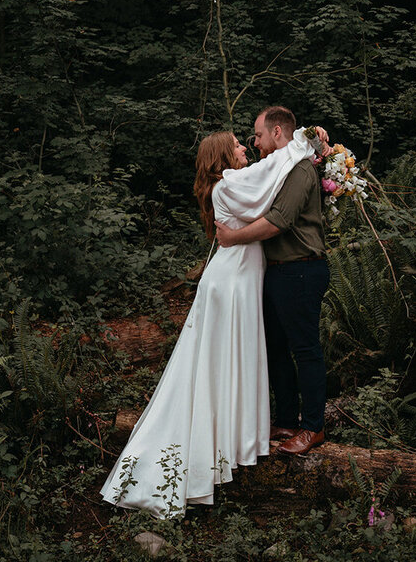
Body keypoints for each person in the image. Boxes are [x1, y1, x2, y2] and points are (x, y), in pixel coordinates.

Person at [99, 125, 320, 518]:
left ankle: (236, 436)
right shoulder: (228, 185)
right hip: (230, 284)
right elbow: (270, 179)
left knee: (235, 358)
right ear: (221, 155)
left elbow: (270, 179)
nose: (244, 147)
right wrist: (301, 142)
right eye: (237, 144)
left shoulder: (231, 184)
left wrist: (307, 148)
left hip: (239, 279)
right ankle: (211, 444)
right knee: (221, 362)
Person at [216, 106, 330, 456]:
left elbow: (279, 220)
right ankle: (286, 419)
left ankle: (314, 427)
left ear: (278, 132)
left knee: (305, 349)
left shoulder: (297, 170)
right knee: (276, 349)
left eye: (260, 135)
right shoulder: (274, 170)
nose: (255, 141)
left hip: (301, 268)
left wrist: (234, 239)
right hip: (277, 270)